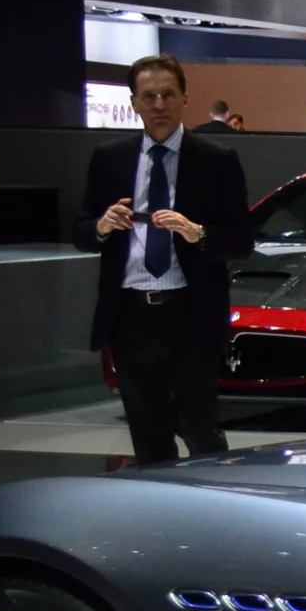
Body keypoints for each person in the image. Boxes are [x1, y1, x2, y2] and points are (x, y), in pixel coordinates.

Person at [73, 54, 251, 465]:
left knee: (200, 429)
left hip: (190, 312)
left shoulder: (216, 159)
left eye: (168, 95)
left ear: (185, 98)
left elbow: (241, 241)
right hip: (131, 315)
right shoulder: (109, 157)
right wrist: (100, 226)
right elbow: (81, 230)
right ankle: (159, 521)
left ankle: (216, 516)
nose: (159, 105)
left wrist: (198, 232)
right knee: (147, 434)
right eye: (148, 96)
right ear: (133, 102)